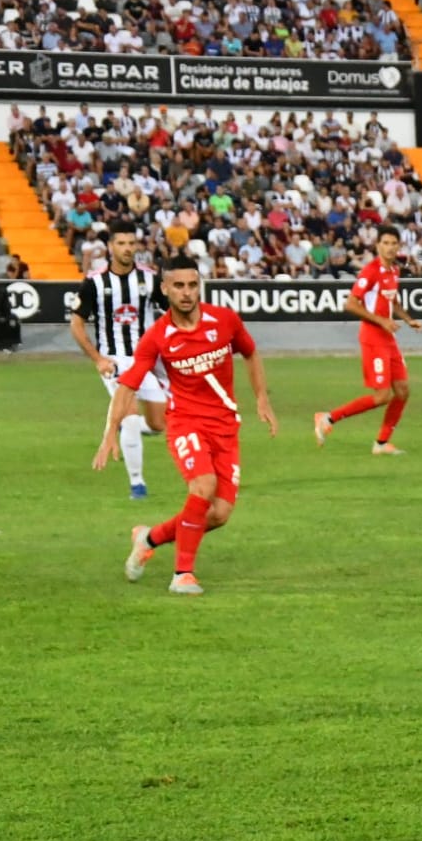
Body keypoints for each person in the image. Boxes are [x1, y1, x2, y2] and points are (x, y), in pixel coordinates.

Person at [91, 255, 277, 595]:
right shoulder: (158, 337)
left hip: (225, 425)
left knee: (219, 514)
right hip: (186, 423)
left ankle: (149, 538)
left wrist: (261, 397)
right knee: (203, 487)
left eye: (193, 284)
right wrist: (109, 433)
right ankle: (182, 574)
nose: (187, 292)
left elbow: (250, 353)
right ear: (165, 289)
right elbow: (128, 384)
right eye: (178, 286)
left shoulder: (224, 321)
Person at [70, 219, 165, 500]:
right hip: (113, 360)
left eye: (131, 243)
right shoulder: (94, 283)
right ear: (110, 247)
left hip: (145, 360)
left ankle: (127, 425)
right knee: (132, 417)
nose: (127, 249)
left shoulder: (150, 279)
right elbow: (76, 325)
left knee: (158, 425)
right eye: (121, 243)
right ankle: (137, 484)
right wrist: (98, 358)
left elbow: (171, 313)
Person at [313, 224, 422, 455]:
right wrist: (381, 321)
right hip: (373, 337)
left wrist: (407, 319)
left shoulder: (394, 271)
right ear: (377, 246)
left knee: (403, 391)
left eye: (394, 243)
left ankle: (381, 444)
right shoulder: (370, 271)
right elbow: (351, 304)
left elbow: (392, 301)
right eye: (386, 243)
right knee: (382, 396)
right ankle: (328, 417)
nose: (390, 248)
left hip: (389, 337)